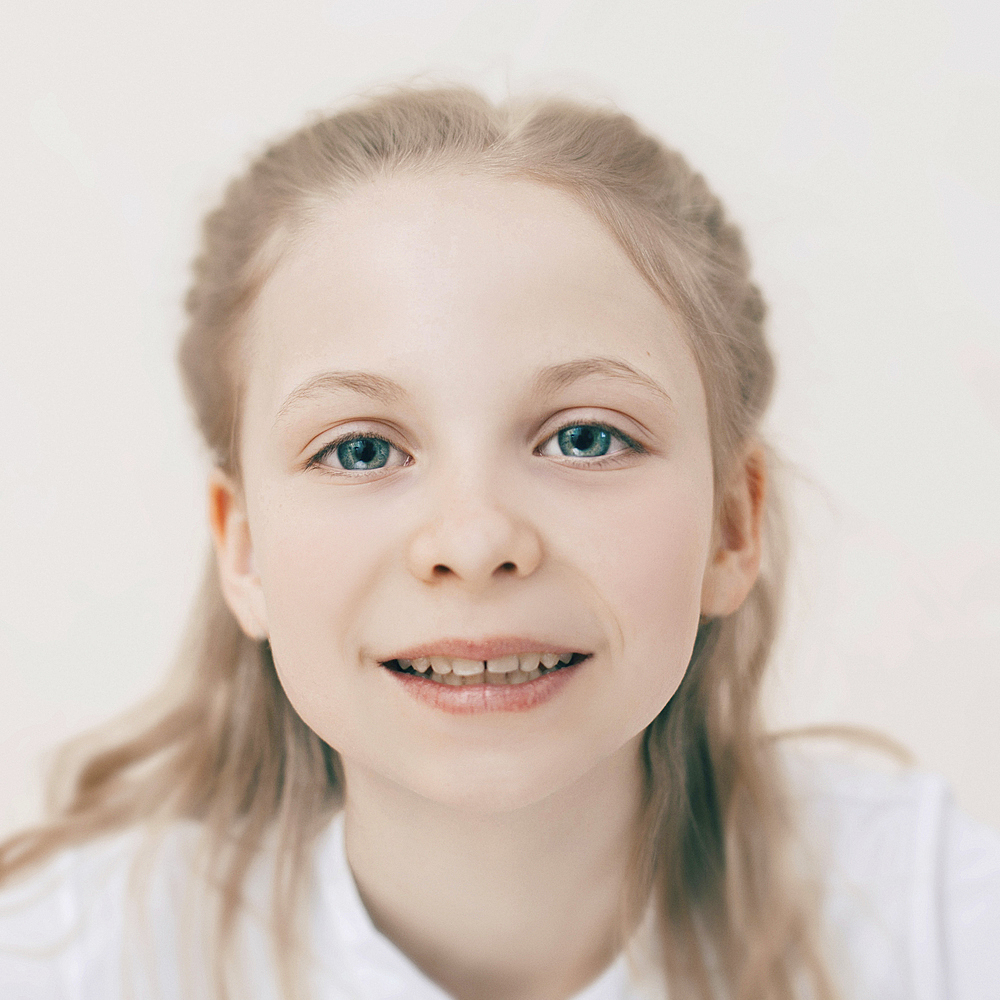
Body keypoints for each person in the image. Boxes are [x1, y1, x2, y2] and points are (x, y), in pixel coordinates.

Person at [0, 84, 997, 1000]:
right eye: (359, 450)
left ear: (732, 527)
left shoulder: (925, 913)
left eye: (584, 437)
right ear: (245, 550)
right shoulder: (66, 961)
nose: (474, 541)